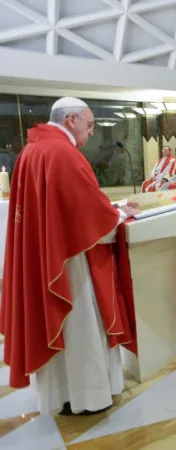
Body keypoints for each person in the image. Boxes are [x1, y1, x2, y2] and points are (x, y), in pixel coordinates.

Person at [0, 97, 139, 415]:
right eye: (90, 125)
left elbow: (71, 205)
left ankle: (61, 393)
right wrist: (117, 215)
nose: (91, 133)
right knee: (80, 324)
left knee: (61, 324)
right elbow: (87, 215)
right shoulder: (62, 152)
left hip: (48, 252)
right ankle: (87, 395)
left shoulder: (34, 149)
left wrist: (112, 209)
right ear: (72, 119)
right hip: (69, 260)